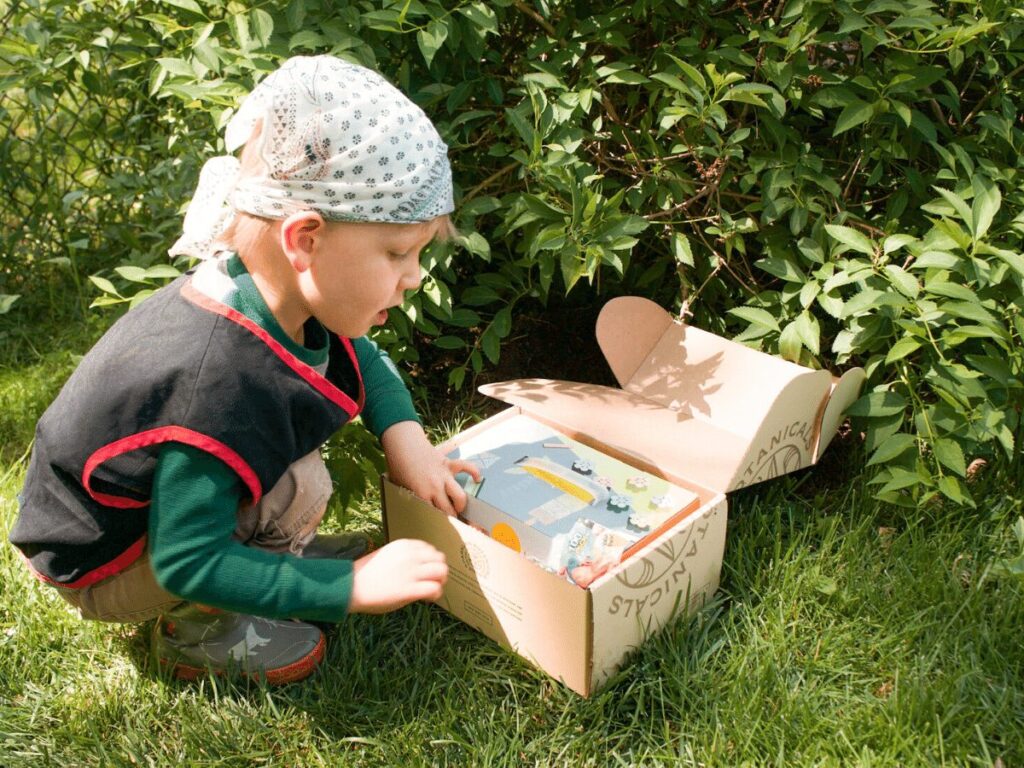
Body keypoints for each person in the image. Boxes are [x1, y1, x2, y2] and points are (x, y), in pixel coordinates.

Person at [9, 55, 480, 684]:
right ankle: (200, 628)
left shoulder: (268, 290)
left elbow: (361, 355)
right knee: (298, 486)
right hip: (109, 562)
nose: (414, 275)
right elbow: (187, 559)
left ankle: (270, 557)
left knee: (288, 475)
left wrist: (408, 442)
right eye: (397, 251)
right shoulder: (217, 383)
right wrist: (348, 587)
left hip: (155, 511)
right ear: (304, 239)